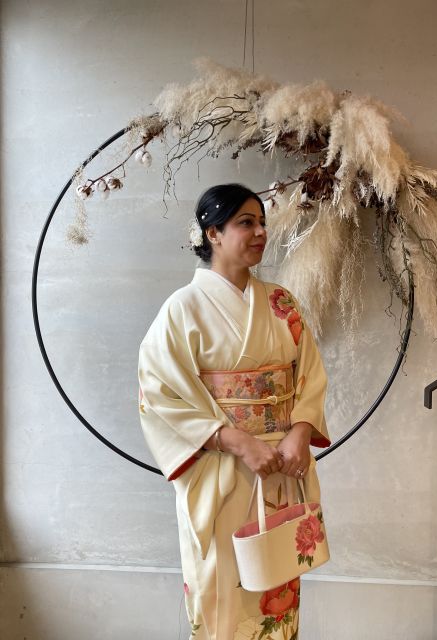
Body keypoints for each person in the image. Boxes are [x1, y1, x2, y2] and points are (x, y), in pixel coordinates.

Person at [138, 183, 330, 640]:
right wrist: (238, 441)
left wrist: (300, 431)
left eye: (262, 222)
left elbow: (310, 374)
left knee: (276, 576)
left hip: (280, 464)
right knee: (220, 582)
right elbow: (159, 394)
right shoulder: (182, 309)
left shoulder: (281, 303)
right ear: (213, 234)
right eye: (246, 223)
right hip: (220, 467)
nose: (260, 232)